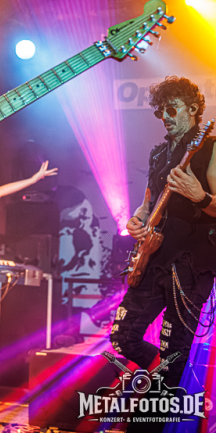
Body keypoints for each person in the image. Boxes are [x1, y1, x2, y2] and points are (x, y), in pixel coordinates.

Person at [111, 76, 216, 396]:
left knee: (175, 348)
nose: (165, 117)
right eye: (160, 112)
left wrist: (200, 197)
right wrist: (135, 221)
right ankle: (161, 382)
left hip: (191, 262)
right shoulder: (158, 153)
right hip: (153, 257)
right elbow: (147, 205)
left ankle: (161, 401)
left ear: (193, 109)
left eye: (172, 109)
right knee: (123, 336)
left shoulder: (210, 147)